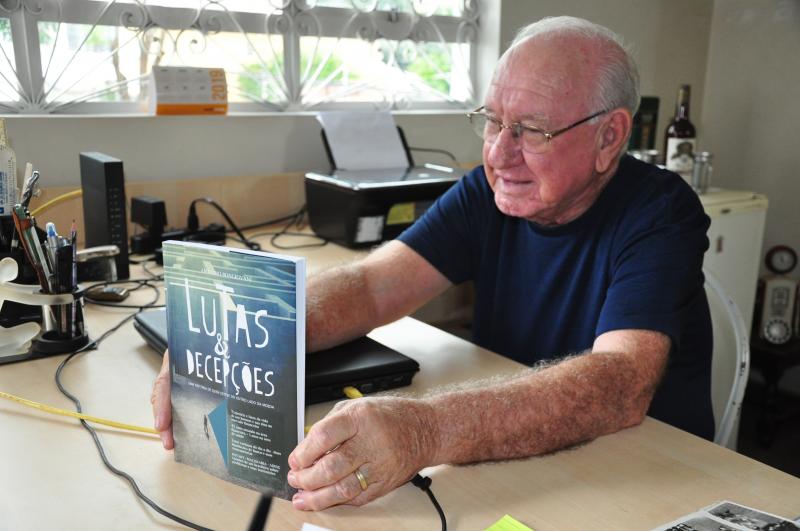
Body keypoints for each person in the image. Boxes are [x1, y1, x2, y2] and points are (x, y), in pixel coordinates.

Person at [151, 16, 713, 513]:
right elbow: (372, 287)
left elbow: (617, 386)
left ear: (609, 136)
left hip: (642, 478)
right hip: (523, 462)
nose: (498, 153)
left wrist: (423, 429)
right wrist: (240, 334)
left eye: (532, 131)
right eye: (493, 121)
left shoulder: (661, 215)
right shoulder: (490, 193)